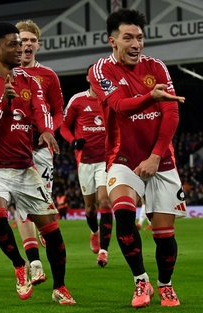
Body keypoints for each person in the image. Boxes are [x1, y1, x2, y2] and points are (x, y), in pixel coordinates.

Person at [0, 22, 75, 304]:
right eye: (13, 44)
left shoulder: (30, 80)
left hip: (24, 166)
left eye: (22, 43)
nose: (21, 49)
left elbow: (40, 109)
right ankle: (19, 264)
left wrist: (46, 129)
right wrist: (4, 101)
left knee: (51, 230)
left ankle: (60, 287)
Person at [89, 8, 187, 308]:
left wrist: (156, 157)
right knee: (122, 214)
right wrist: (150, 97)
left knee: (164, 235)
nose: (136, 44)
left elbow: (171, 113)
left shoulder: (156, 67)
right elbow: (119, 105)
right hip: (123, 157)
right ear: (112, 41)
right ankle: (141, 281)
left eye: (140, 38)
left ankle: (165, 285)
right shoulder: (100, 71)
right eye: (128, 38)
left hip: (161, 160)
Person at [12, 19, 66, 284]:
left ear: (38, 45)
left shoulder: (48, 76)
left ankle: (45, 227)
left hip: (42, 149)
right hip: (13, 148)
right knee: (22, 204)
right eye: (22, 40)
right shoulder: (4, 75)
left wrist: (48, 130)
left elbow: (58, 111)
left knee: (41, 201)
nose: (27, 44)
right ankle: (34, 262)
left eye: (32, 40)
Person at [60, 65, 113, 267]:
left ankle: (104, 251)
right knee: (90, 209)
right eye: (95, 77)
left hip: (106, 160)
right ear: (88, 78)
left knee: (105, 202)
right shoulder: (78, 100)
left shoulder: (110, 99)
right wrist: (73, 140)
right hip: (85, 162)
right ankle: (94, 232)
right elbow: (63, 125)